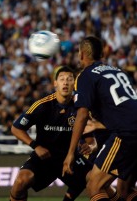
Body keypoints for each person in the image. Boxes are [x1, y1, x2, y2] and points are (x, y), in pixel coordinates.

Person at [62, 36, 137, 201]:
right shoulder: (117, 71)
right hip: (131, 128)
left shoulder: (86, 75)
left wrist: (70, 153)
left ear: (82, 54)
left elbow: (82, 114)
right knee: (125, 189)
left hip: (127, 133)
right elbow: (121, 109)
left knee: (94, 185)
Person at [9, 66, 97, 201]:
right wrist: (35, 146)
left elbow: (91, 140)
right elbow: (16, 128)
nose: (66, 82)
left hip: (70, 158)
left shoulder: (81, 108)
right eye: (62, 79)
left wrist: (91, 146)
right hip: (44, 157)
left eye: (69, 79)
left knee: (96, 180)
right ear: (55, 83)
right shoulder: (42, 105)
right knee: (21, 181)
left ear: (74, 83)